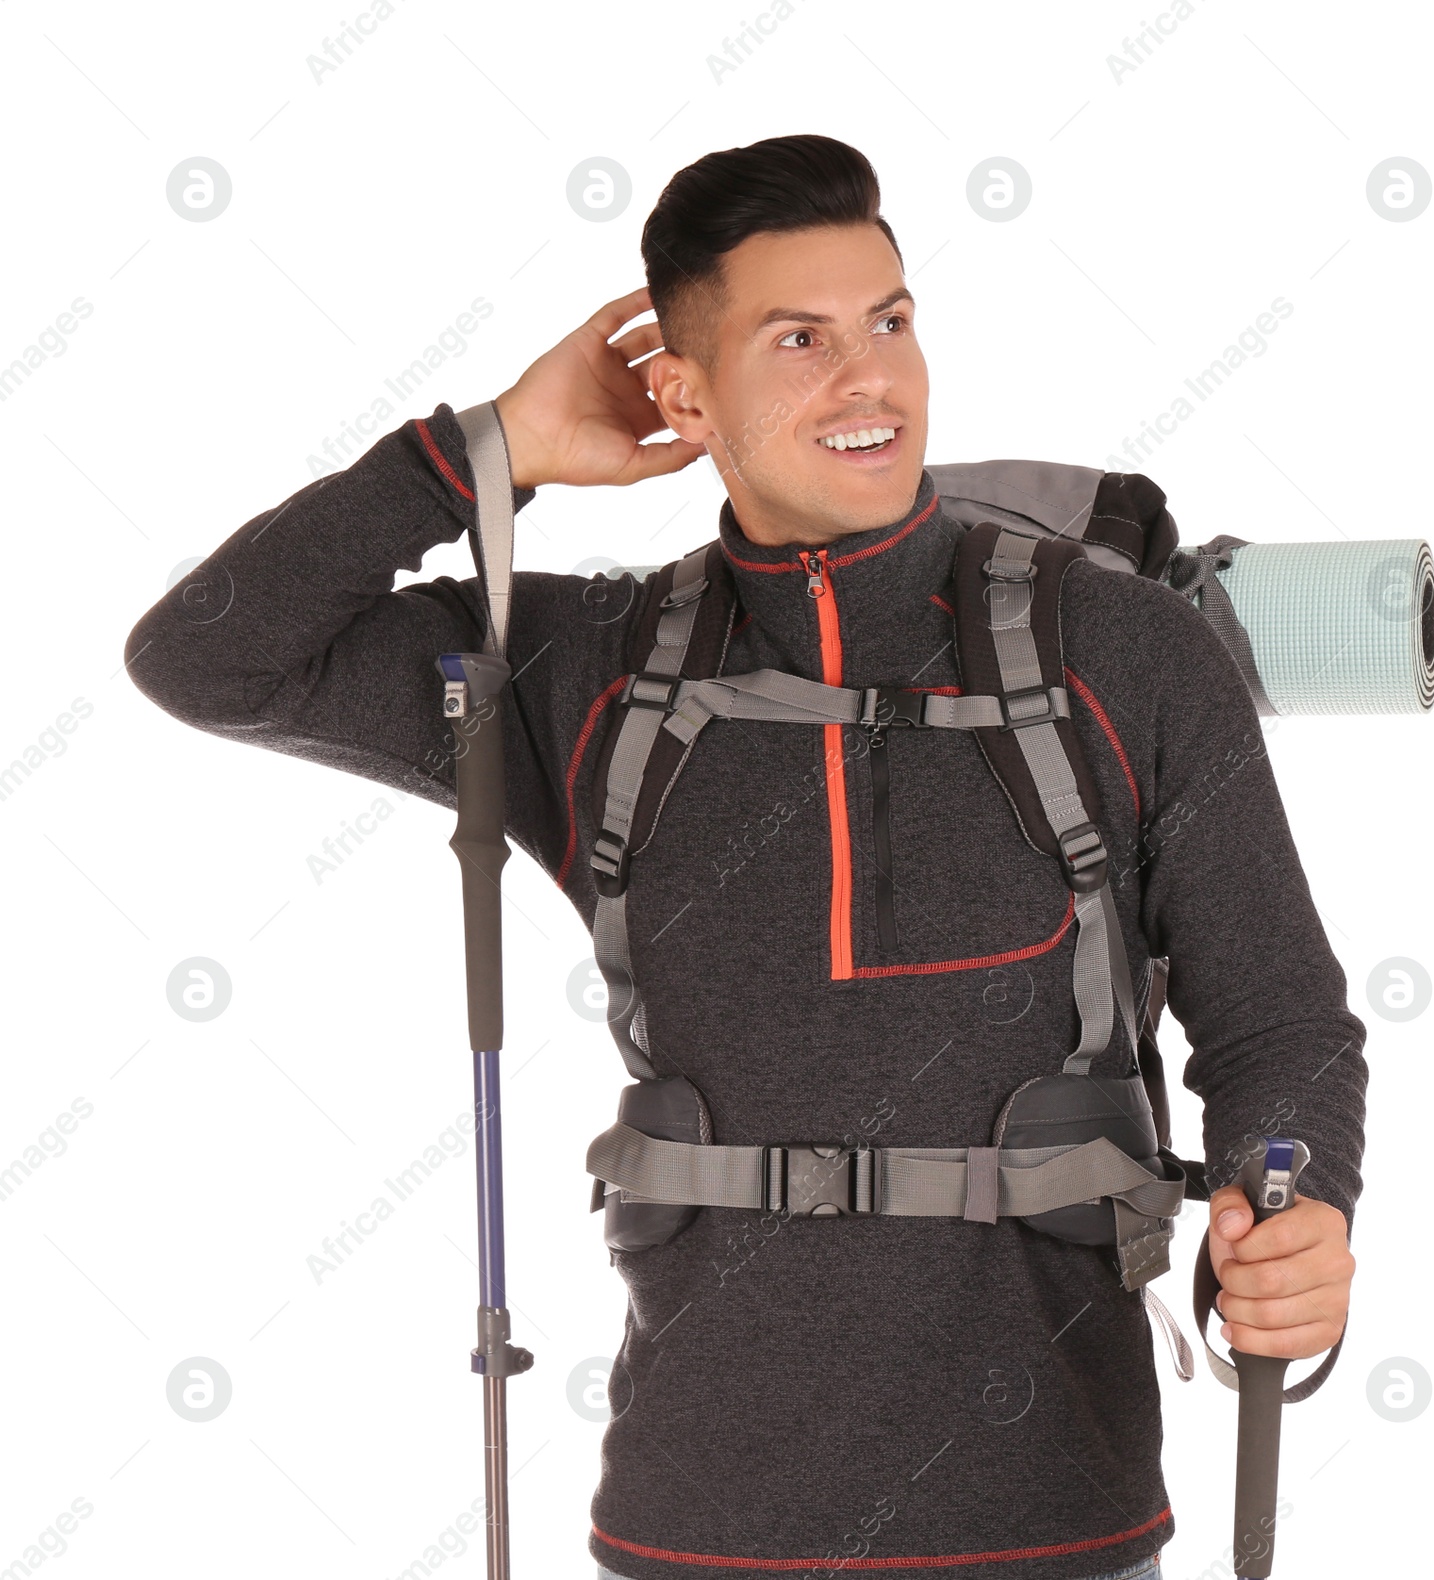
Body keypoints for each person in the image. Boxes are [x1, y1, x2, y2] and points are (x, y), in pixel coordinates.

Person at [126, 133, 1364, 1580]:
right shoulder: (585, 672)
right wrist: (484, 454)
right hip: (689, 1530)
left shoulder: (1122, 649)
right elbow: (206, 658)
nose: (873, 380)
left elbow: (1280, 1019)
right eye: (800, 339)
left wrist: (1294, 1208)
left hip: (1055, 1523)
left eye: (890, 322)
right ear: (683, 395)